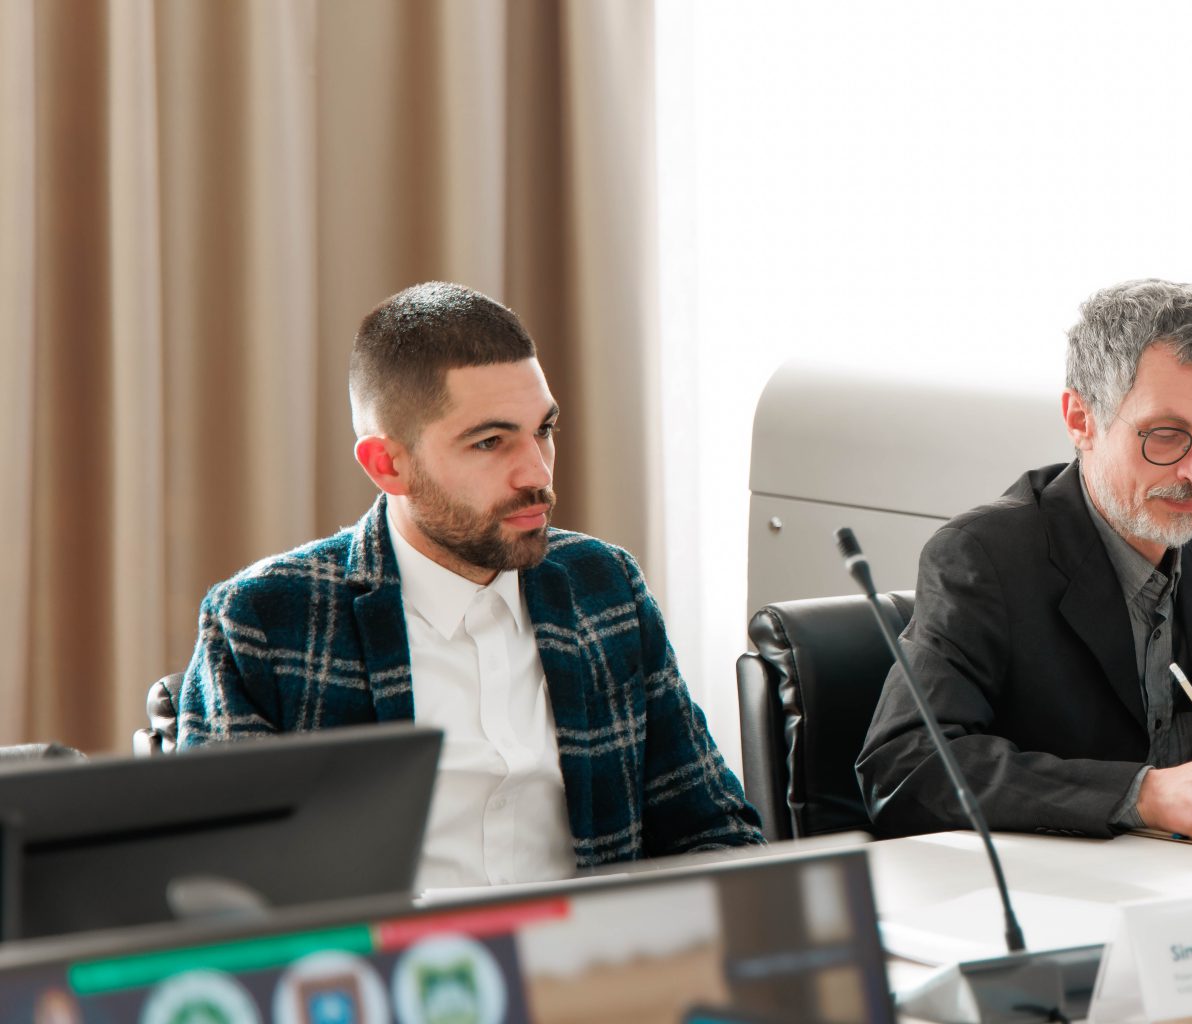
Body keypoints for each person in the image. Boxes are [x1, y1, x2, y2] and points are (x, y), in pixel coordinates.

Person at [178, 282, 763, 886]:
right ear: (387, 465)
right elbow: (219, 888)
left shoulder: (605, 588)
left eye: (544, 430)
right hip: (385, 949)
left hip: (595, 945)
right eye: (490, 442)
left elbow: (714, 833)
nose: (537, 472)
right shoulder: (264, 622)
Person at [857, 279, 1192, 842]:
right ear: (1081, 419)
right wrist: (1142, 794)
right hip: (1070, 887)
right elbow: (905, 765)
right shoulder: (985, 557)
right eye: (1166, 436)